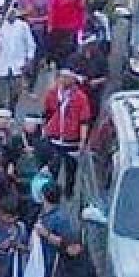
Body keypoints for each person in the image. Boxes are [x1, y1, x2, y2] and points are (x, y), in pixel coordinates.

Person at [42, 69, 92, 199]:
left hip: (72, 141)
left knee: (71, 170)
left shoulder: (80, 97)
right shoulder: (52, 94)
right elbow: (47, 113)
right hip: (54, 138)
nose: (64, 80)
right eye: (62, 77)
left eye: (67, 77)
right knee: (52, 168)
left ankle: (69, 192)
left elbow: (84, 120)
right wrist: (46, 130)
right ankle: (51, 193)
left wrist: (82, 140)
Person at [0, 8, 37, 111]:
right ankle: (1, 117)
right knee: (1, 96)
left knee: (15, 93)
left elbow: (31, 45)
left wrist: (29, 60)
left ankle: (11, 112)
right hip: (1, 66)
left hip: (17, 66)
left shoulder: (23, 26)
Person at [46, 0, 86, 70]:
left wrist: (81, 26)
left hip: (71, 27)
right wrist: (50, 24)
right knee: (58, 50)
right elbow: (53, 9)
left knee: (69, 50)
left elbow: (81, 10)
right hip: (58, 27)